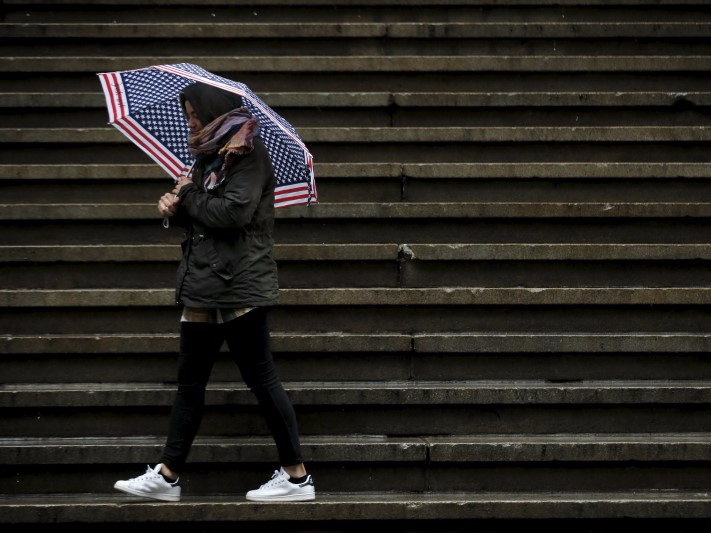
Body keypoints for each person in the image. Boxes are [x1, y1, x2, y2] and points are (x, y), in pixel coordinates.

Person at [113, 82, 315, 503]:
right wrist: (175, 206)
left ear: (212, 111)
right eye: (186, 113)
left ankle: (297, 478)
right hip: (204, 283)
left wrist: (187, 194)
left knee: (261, 379)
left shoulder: (249, 154)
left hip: (240, 285)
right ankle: (167, 476)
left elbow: (233, 213)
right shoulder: (208, 157)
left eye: (193, 113)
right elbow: (204, 214)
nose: (189, 121)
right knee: (189, 385)